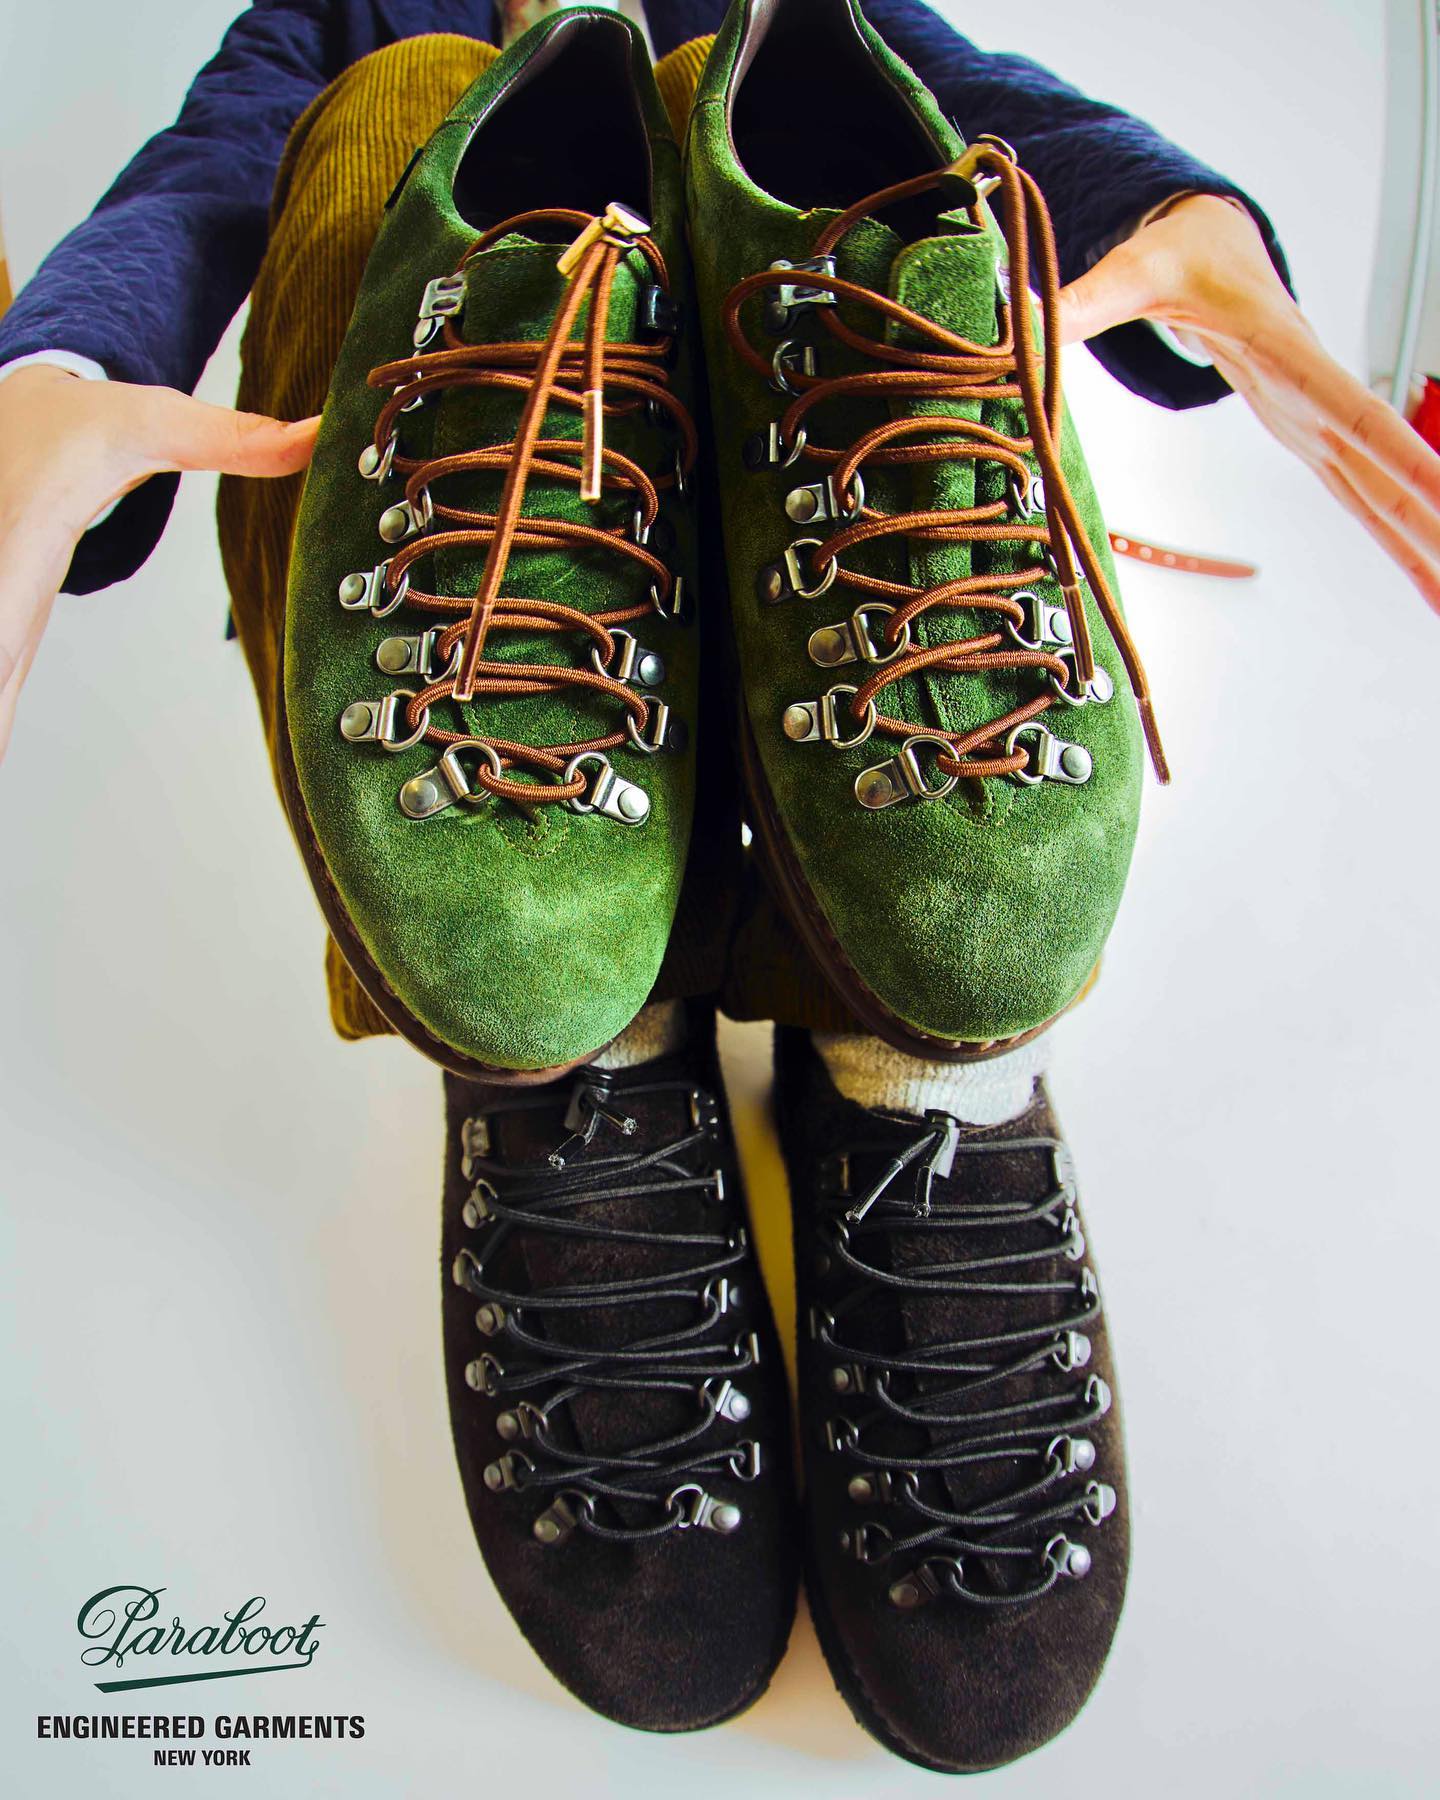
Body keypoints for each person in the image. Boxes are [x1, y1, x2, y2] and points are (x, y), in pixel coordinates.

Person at [2, 0, 1437, 1772]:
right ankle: (571, 1043)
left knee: (802, 146)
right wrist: (57, 370)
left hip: (825, 651)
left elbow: (983, 100)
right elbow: (203, 183)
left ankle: (913, 1052)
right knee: (389, 114)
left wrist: (1180, 214)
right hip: (492, 722)